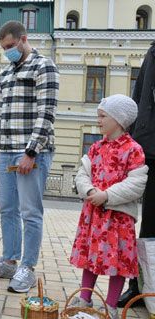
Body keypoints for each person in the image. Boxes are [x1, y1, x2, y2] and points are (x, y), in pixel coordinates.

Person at [0, 20, 59, 293]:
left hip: (31, 153)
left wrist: (31, 152)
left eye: (11, 46)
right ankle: (9, 261)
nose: (7, 51)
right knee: (6, 209)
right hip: (6, 151)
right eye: (3, 48)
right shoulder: (5, 74)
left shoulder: (43, 66)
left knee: (30, 212)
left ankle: (27, 267)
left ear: (24, 39)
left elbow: (46, 113)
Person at [69, 94, 148, 319]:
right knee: (90, 256)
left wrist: (107, 195)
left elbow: (136, 183)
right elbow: (82, 173)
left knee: (119, 261)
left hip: (118, 217)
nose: (99, 120)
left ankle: (111, 305)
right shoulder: (96, 147)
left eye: (103, 116)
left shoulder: (133, 150)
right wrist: (90, 191)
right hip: (94, 215)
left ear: (119, 119)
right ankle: (84, 297)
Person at [118, 41, 155, 309]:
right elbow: (139, 94)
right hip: (150, 145)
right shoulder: (153, 52)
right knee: (149, 224)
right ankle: (141, 287)